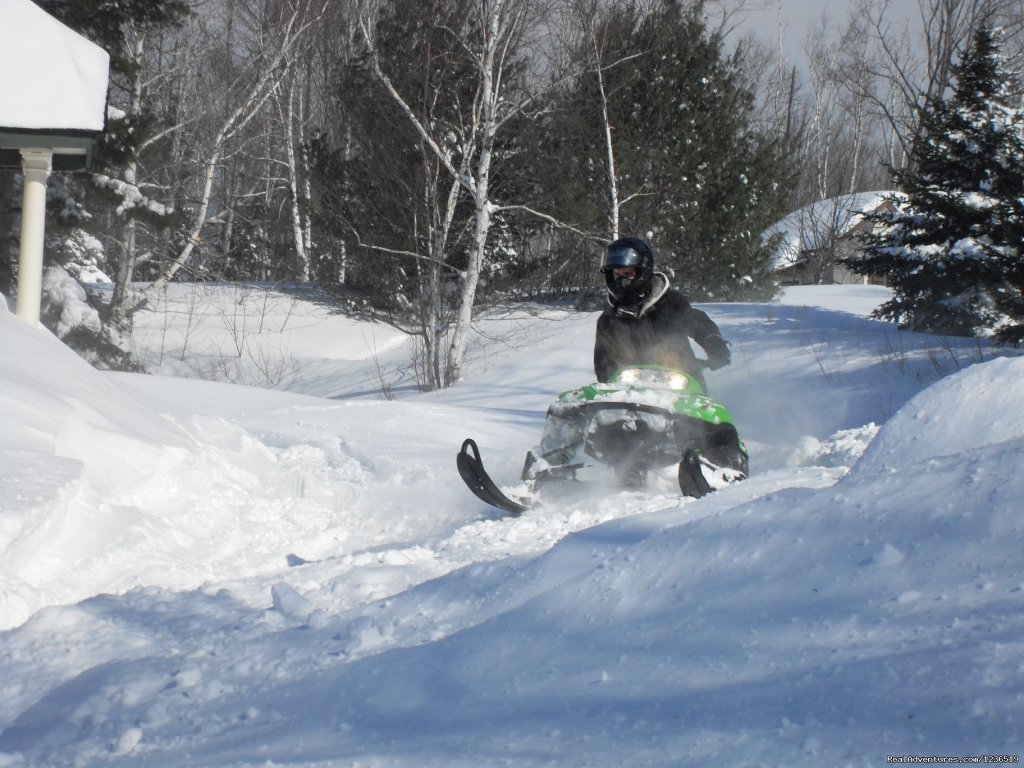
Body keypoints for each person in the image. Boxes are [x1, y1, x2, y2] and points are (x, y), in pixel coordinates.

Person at [595, 236, 730, 388]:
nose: (621, 281)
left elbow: (696, 321)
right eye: (617, 275)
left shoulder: (670, 303)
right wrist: (615, 374)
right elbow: (603, 364)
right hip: (630, 390)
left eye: (627, 274)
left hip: (682, 384)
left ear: (642, 271)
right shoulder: (608, 320)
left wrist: (713, 341)